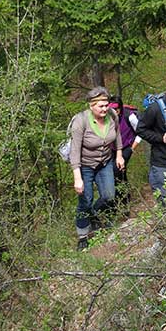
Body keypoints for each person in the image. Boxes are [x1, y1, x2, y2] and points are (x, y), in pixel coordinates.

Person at [69, 86, 125, 251]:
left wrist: (119, 155)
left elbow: (118, 136)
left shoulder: (112, 116)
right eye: (100, 106)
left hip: (105, 163)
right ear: (91, 105)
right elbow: (74, 151)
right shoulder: (80, 121)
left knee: (109, 196)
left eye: (106, 105)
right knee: (84, 200)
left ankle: (93, 213)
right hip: (84, 165)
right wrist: (77, 177)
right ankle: (82, 236)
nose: (105, 109)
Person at [109, 96, 142, 211]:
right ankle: (122, 202)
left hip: (127, 147)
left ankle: (122, 203)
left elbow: (141, 132)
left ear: (120, 108)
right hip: (112, 149)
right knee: (119, 174)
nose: (115, 111)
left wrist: (132, 148)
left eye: (116, 108)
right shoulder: (107, 117)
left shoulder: (130, 116)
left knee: (116, 171)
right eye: (112, 108)